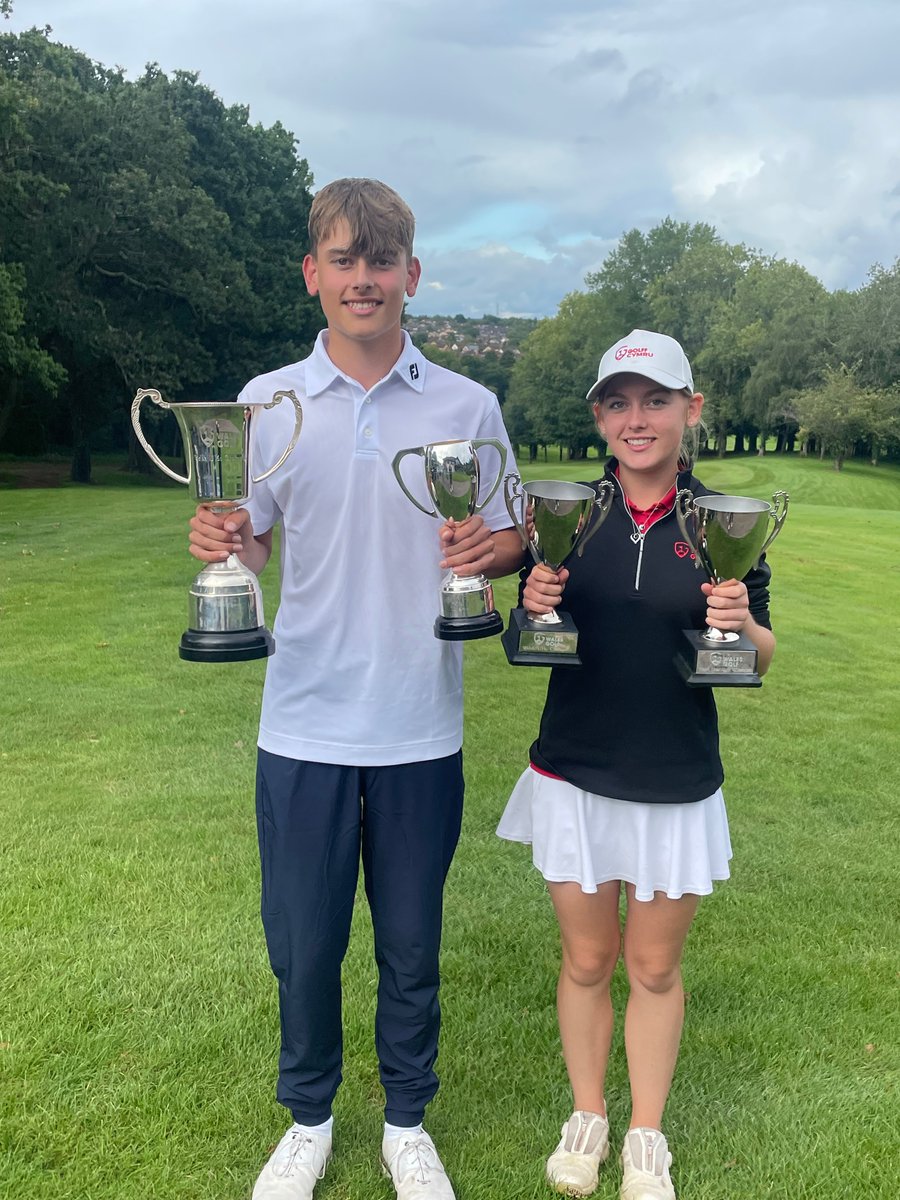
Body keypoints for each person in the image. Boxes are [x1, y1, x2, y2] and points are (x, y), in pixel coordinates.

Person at [189, 178, 523, 1200]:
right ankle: (310, 1119)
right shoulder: (265, 403)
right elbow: (243, 535)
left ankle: (408, 1123)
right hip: (303, 721)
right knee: (304, 945)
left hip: (420, 726)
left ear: (410, 276)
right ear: (314, 276)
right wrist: (218, 537)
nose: (364, 279)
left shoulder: (468, 405)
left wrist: (488, 547)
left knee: (412, 946)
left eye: (382, 262)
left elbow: (512, 534)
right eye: (344, 260)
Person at [496, 330, 776, 1200]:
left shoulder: (723, 522)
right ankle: (588, 1115)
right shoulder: (568, 514)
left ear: (690, 410)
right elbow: (526, 642)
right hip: (573, 772)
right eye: (618, 402)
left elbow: (759, 656)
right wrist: (534, 600)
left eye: (656, 400)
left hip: (675, 778)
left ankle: (644, 1132)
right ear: (599, 418)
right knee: (586, 962)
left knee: (652, 968)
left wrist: (737, 617)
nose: (637, 418)